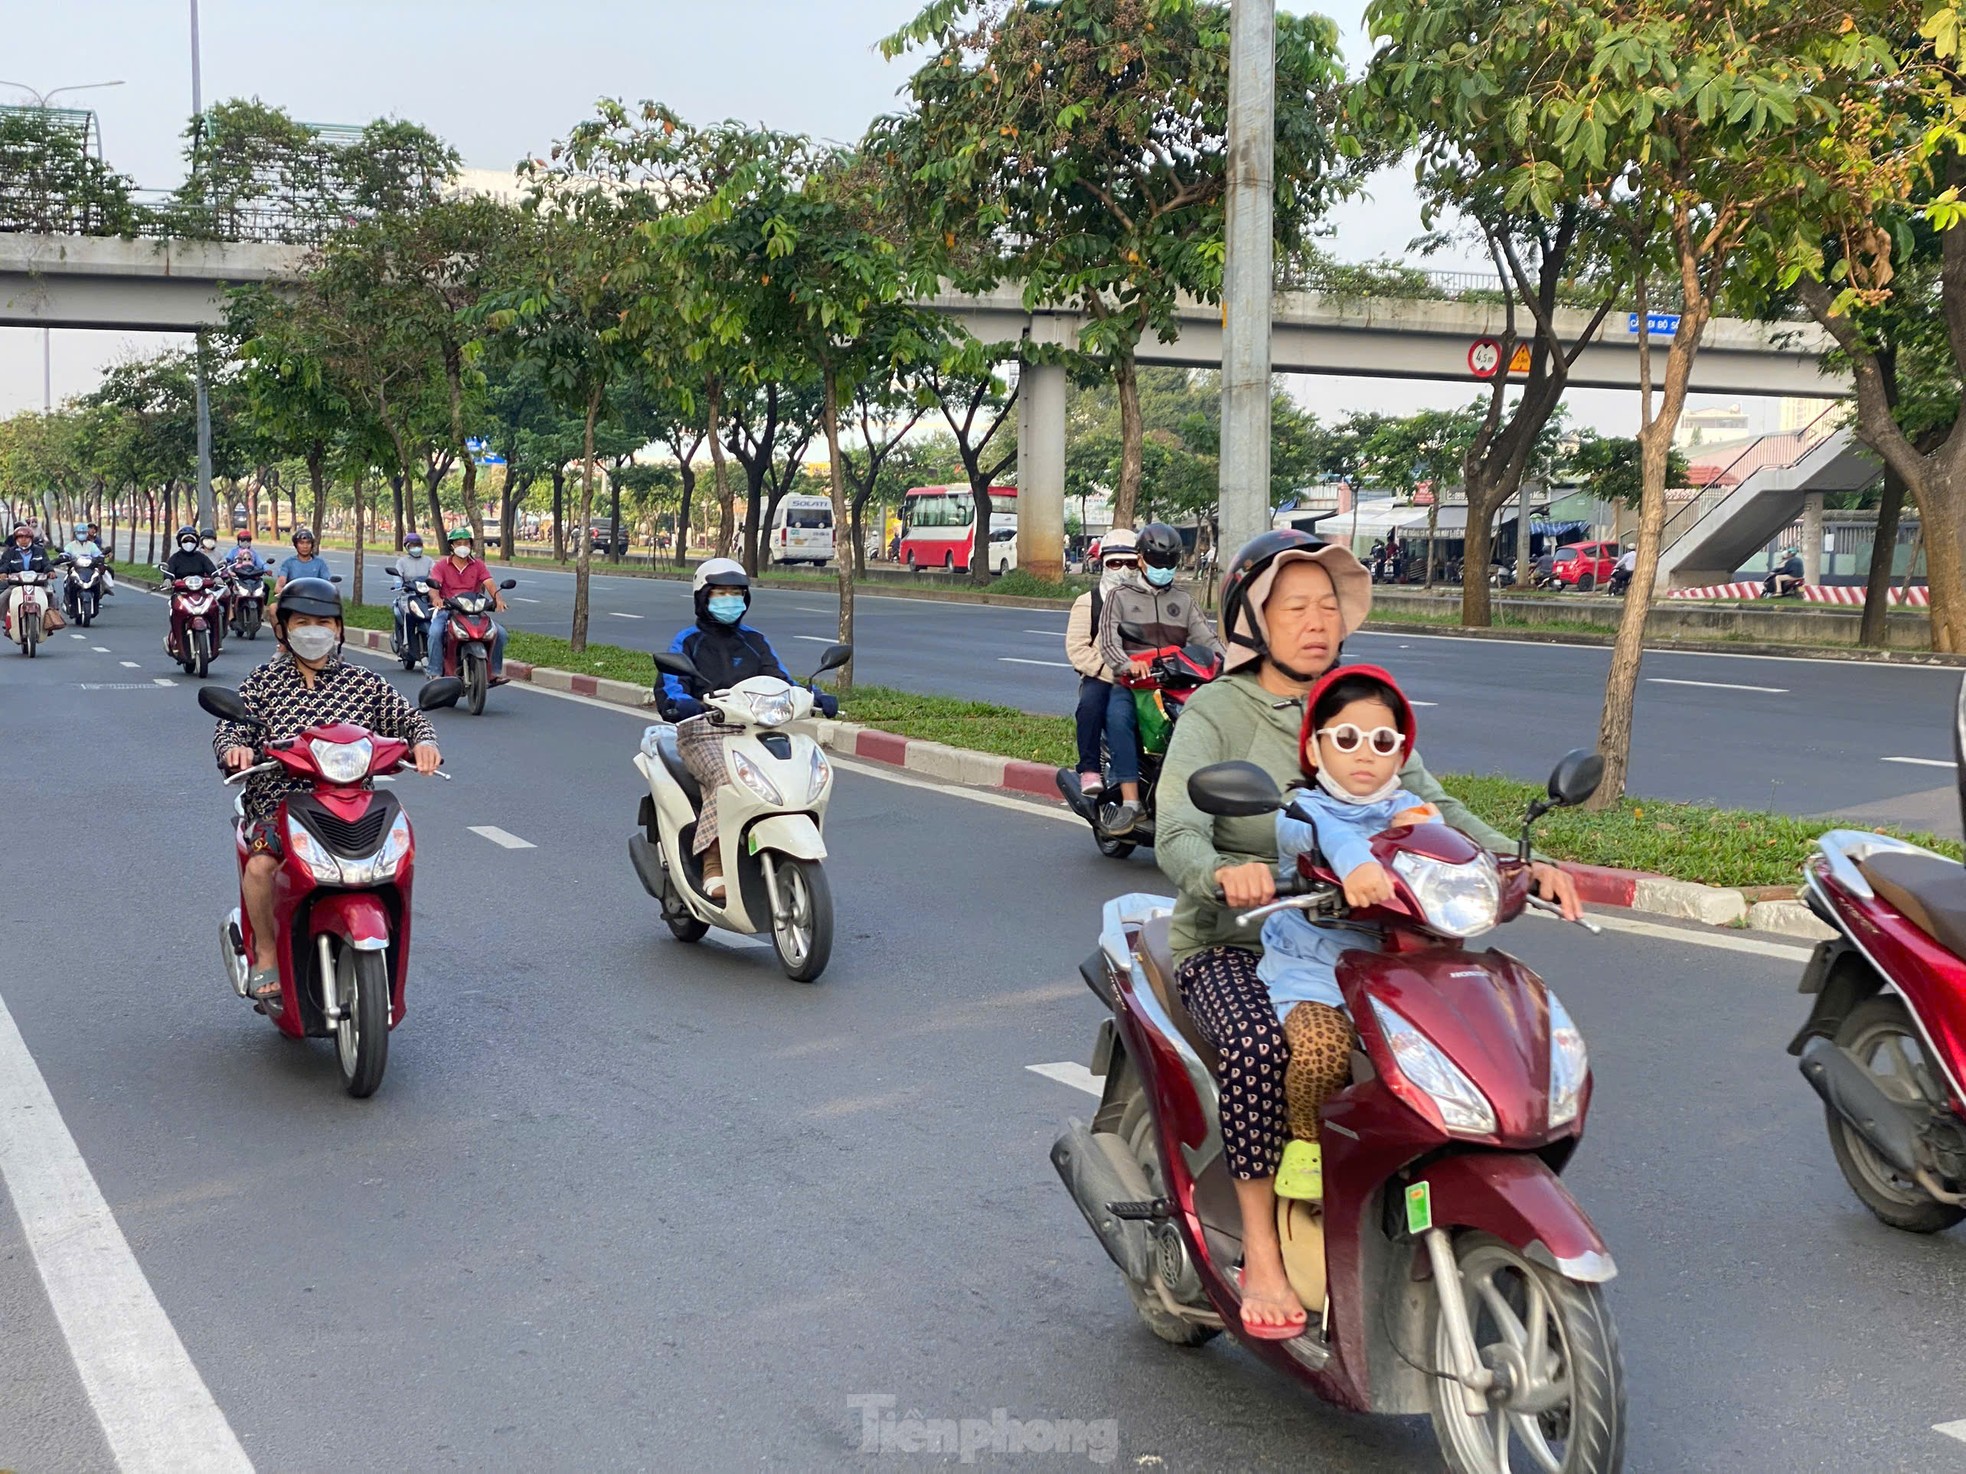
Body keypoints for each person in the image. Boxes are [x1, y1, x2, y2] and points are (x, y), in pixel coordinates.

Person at [1154, 529, 1582, 1340]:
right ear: (1253, 618)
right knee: (1258, 1051)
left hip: (1364, 944)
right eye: (1295, 608)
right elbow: (1176, 823)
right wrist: (1219, 872)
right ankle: (1266, 1256)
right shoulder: (1219, 710)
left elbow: (1437, 809)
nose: (1316, 622)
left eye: (1328, 607)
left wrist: (1523, 861)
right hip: (1239, 938)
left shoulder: (1358, 710)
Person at [1259, 664, 1442, 1204]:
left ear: (1400, 755)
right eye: (1346, 738)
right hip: (1314, 969)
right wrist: (1358, 863)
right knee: (1321, 1050)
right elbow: (1328, 834)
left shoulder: (1404, 808)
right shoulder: (1302, 809)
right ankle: (1305, 1142)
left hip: (1392, 970)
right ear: (1315, 750)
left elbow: (1436, 836)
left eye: (1382, 741)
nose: (1365, 753)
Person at [212, 578, 441, 1004]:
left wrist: (424, 744)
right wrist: (236, 749)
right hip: (280, 802)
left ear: (338, 629)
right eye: (302, 621)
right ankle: (266, 952)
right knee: (261, 867)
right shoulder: (263, 683)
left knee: (400, 854)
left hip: (355, 804)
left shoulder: (363, 683)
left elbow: (410, 720)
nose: (313, 630)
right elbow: (231, 728)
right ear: (282, 628)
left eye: (323, 622)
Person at [654, 558, 807, 901]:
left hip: (754, 732)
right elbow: (670, 685)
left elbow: (782, 678)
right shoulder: (688, 641)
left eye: (736, 593)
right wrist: (683, 703)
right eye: (720, 593)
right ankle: (713, 862)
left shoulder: (755, 640)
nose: (729, 600)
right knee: (728, 781)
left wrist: (814, 696)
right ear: (703, 597)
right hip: (702, 732)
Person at [1094, 522, 1220, 833]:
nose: (1163, 569)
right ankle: (1131, 803)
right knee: (1118, 717)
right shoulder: (1120, 597)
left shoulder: (1184, 601)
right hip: (1134, 684)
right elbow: (1108, 642)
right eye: (1156, 562)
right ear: (1140, 559)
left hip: (1179, 684)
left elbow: (1208, 640)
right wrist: (1127, 664)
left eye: (1169, 563)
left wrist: (1234, 664)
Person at [1064, 530, 1139, 795]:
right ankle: (1089, 769)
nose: (1123, 570)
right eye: (1115, 563)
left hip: (1147, 676)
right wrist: (1110, 670)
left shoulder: (1152, 600)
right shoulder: (1089, 602)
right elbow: (1077, 648)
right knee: (1090, 707)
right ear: (1104, 563)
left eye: (1131, 563)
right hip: (1103, 677)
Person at [426, 526, 509, 682]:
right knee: (435, 632)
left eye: (466, 543)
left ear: (471, 545)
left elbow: (489, 583)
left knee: (501, 634)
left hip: (474, 610)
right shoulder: (441, 565)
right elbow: (433, 586)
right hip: (448, 609)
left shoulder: (478, 565)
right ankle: (434, 672)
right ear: (451, 545)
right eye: (458, 543)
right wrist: (436, 598)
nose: (462, 546)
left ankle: (494, 673)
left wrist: (498, 599)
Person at [1, 521, 56, 638]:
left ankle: (50, 622)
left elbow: (46, 564)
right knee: (3, 598)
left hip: (38, 583)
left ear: (31, 538)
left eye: (26, 537)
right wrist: (3, 573)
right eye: (20, 537)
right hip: (16, 584)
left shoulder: (40, 551)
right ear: (16, 539)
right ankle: (8, 623)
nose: (23, 540)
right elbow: (4, 565)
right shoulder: (10, 552)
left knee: (52, 596)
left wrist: (50, 571)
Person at [60, 523, 105, 618]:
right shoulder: (70, 546)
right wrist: (63, 557)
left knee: (97, 583)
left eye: (84, 532)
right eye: (79, 532)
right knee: (67, 583)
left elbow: (98, 554)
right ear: (75, 533)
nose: (82, 534)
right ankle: (70, 604)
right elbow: (65, 553)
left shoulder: (92, 545)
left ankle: (96, 604)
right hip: (76, 569)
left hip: (89, 570)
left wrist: (100, 558)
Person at [275, 528, 329, 595]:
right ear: (296, 545)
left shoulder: (320, 563)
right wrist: (284, 591)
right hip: (293, 599)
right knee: (273, 606)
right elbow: (279, 585)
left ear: (312, 545)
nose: (305, 546)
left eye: (308, 543)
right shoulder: (288, 563)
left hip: (314, 600)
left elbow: (327, 584)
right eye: (301, 543)